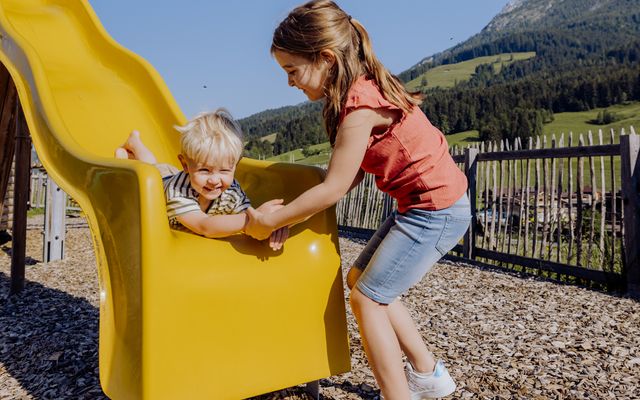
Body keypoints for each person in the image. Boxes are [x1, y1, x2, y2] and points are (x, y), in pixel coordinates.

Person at [244, 1, 471, 398]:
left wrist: (268, 221)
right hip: (421, 207)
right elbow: (347, 178)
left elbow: (333, 187)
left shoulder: (360, 105)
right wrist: (292, 215)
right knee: (360, 281)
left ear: (326, 59)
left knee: (368, 299)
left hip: (435, 211)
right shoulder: (357, 93)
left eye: (292, 70)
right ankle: (429, 375)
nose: (290, 83)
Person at [115, 108, 288, 250]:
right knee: (149, 168)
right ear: (185, 164)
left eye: (225, 170)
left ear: (235, 165)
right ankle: (134, 143)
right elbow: (204, 226)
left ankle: (135, 144)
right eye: (205, 170)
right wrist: (253, 221)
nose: (214, 180)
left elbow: (247, 216)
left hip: (183, 177)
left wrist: (269, 223)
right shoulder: (178, 192)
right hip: (164, 180)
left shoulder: (232, 189)